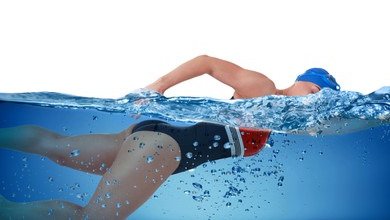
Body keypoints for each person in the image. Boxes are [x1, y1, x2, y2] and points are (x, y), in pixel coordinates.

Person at [0, 55, 340, 219]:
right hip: (162, 149)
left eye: (318, 97)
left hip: (150, 137)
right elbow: (207, 61)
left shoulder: (280, 117)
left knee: (59, 149)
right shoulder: (264, 89)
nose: (312, 98)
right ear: (301, 81)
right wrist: (158, 86)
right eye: (312, 90)